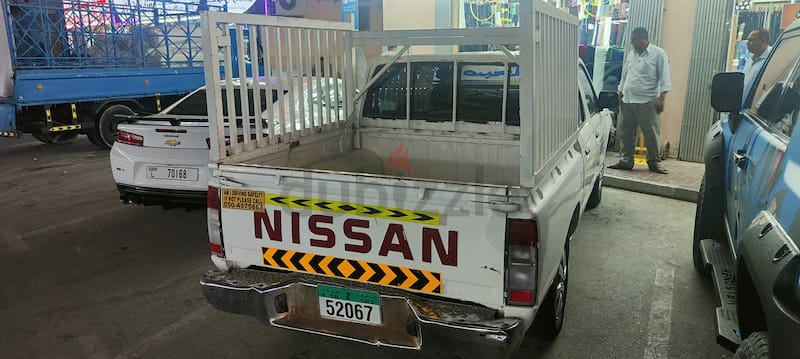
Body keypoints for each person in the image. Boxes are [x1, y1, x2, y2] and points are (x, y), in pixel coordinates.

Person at [608, 27, 671, 174]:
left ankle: (654, 163)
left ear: (643, 38)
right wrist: (620, 92)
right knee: (626, 133)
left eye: (634, 38)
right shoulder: (631, 54)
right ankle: (626, 161)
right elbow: (625, 75)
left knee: (650, 133)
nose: (631, 41)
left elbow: (665, 78)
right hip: (628, 100)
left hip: (648, 101)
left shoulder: (658, 54)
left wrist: (662, 99)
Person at [742, 29, 772, 98]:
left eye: (751, 40)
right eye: (748, 40)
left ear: (763, 41)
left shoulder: (771, 60)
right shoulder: (750, 60)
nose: (747, 43)